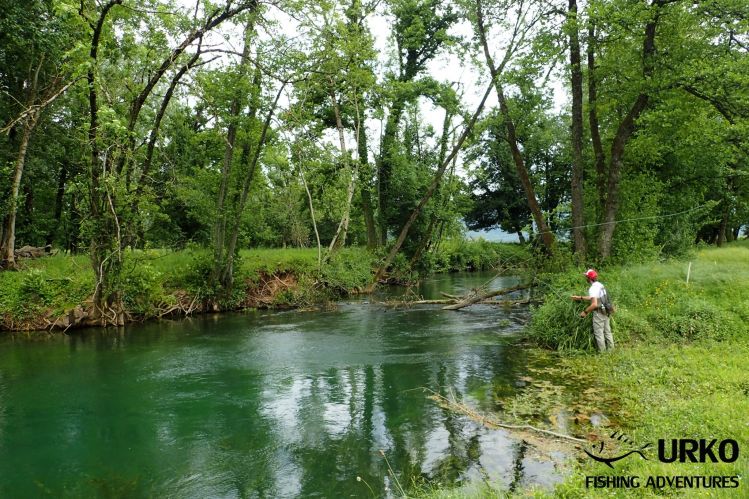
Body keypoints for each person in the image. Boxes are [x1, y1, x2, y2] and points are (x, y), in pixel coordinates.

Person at [571, 269, 614, 352]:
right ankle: (611, 351)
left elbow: (594, 304)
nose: (585, 278)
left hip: (599, 313)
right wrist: (580, 297)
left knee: (599, 333)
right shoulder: (600, 285)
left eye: (586, 277)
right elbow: (594, 297)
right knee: (607, 332)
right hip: (606, 311)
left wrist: (585, 312)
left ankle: (602, 353)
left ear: (588, 278)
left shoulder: (593, 288)